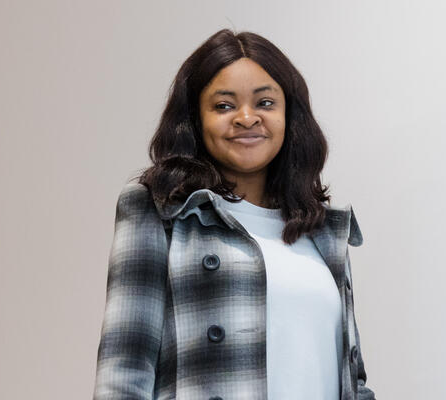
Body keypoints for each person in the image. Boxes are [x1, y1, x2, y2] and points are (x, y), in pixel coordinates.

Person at [92, 29, 377, 400]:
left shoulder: (322, 230)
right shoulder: (160, 211)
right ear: (195, 119)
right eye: (224, 105)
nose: (246, 118)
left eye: (265, 103)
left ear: (290, 116)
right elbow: (124, 372)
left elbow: (352, 383)